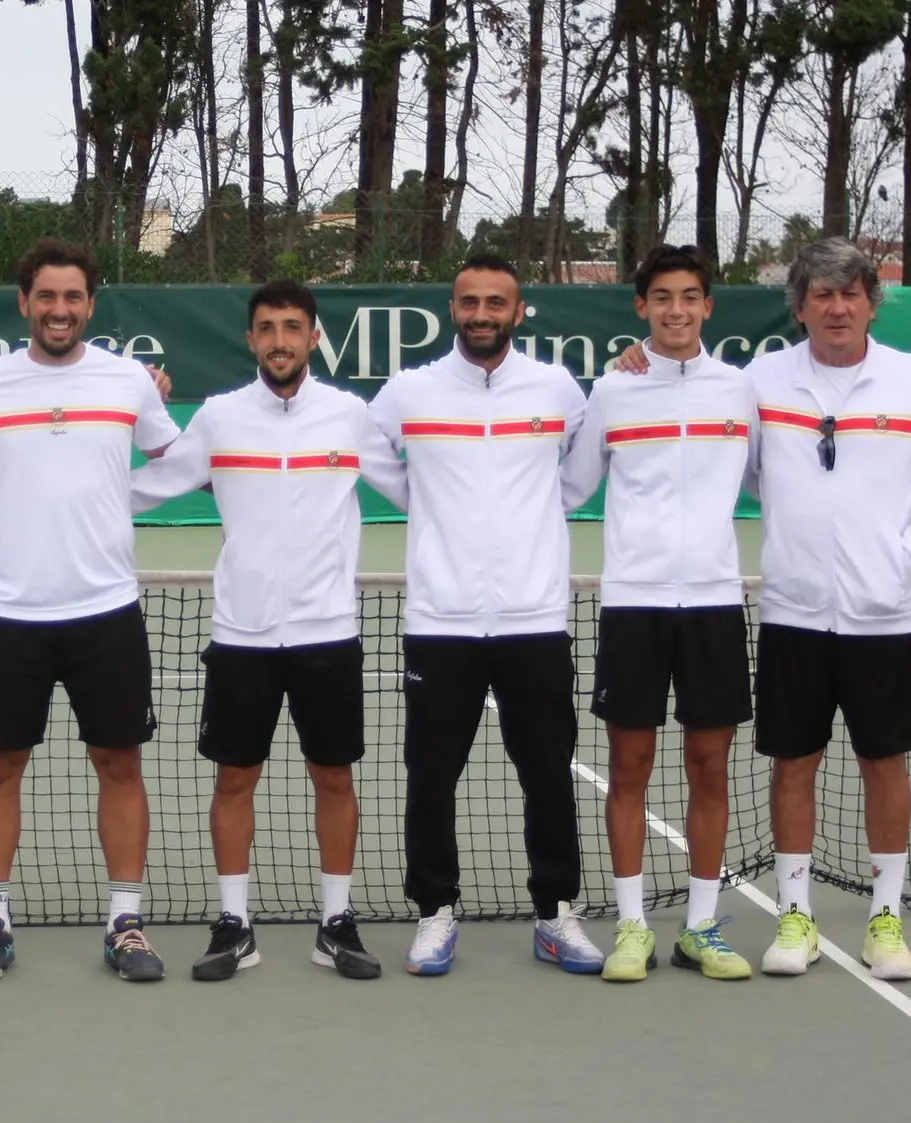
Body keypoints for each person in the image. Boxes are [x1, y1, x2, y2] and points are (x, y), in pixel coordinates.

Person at [129, 279, 405, 981]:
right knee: (233, 780)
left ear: (314, 337)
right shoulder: (219, 419)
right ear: (250, 339)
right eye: (266, 328)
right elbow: (151, 483)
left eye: (291, 326)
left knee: (334, 776)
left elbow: (414, 486)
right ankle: (234, 924)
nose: (279, 339)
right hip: (241, 634)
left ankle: (335, 922)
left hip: (327, 632)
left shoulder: (349, 415)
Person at [0, 237, 178, 982]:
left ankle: (125, 924)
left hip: (106, 611)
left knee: (119, 762)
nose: (58, 309)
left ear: (89, 303)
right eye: (45, 296)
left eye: (72, 297)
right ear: (23, 303)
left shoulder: (128, 381)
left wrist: (119, 499)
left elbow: (173, 461)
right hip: (9, 612)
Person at [368, 253, 602, 976]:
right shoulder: (409, 390)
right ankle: (433, 912)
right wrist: (429, 507)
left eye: (494, 301)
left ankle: (554, 913)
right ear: (452, 308)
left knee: (547, 774)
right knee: (430, 776)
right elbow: (370, 454)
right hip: (439, 622)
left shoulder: (556, 388)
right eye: (468, 300)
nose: (480, 313)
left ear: (517, 308)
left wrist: (533, 519)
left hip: (534, 618)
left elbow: (580, 471)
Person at [561, 245, 755, 982]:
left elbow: (776, 474)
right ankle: (633, 928)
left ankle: (701, 926)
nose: (676, 309)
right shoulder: (610, 392)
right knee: (629, 767)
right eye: (662, 297)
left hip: (712, 606)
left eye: (690, 297)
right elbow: (567, 487)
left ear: (708, 306)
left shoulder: (739, 391)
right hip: (633, 606)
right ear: (640, 307)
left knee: (710, 766)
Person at [740, 237, 911, 979]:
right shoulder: (759, 381)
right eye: (820, 295)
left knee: (885, 763)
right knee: (793, 764)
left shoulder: (906, 381)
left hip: (886, 614)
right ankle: (795, 913)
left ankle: (886, 916)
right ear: (800, 305)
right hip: (793, 611)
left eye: (850, 293)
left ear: (872, 301)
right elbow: (742, 471)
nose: (836, 307)